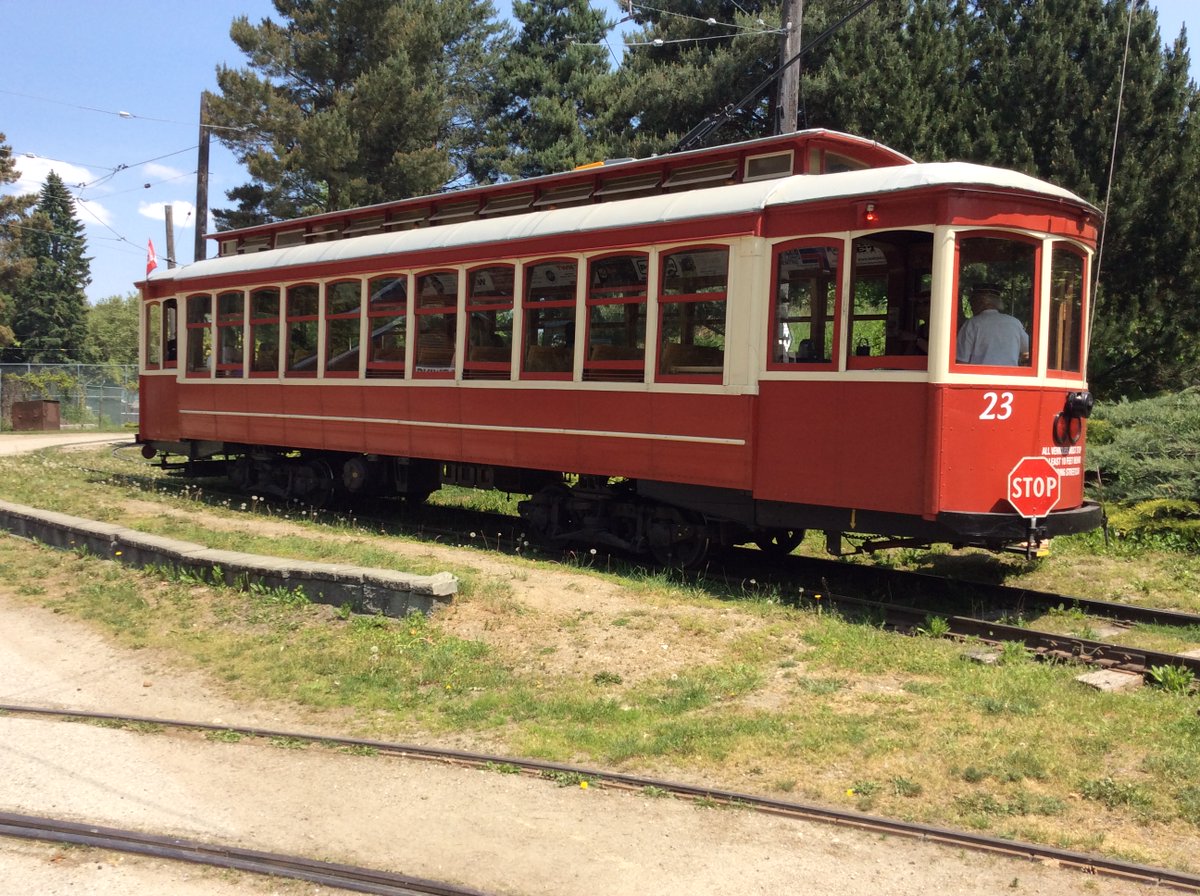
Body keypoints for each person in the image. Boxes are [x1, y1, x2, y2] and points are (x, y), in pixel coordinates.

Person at [956, 284, 1029, 366]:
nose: (971, 306)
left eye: (972, 301)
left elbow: (961, 362)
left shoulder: (972, 324)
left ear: (982, 302)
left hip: (979, 377)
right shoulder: (1014, 323)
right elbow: (1027, 351)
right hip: (1009, 377)